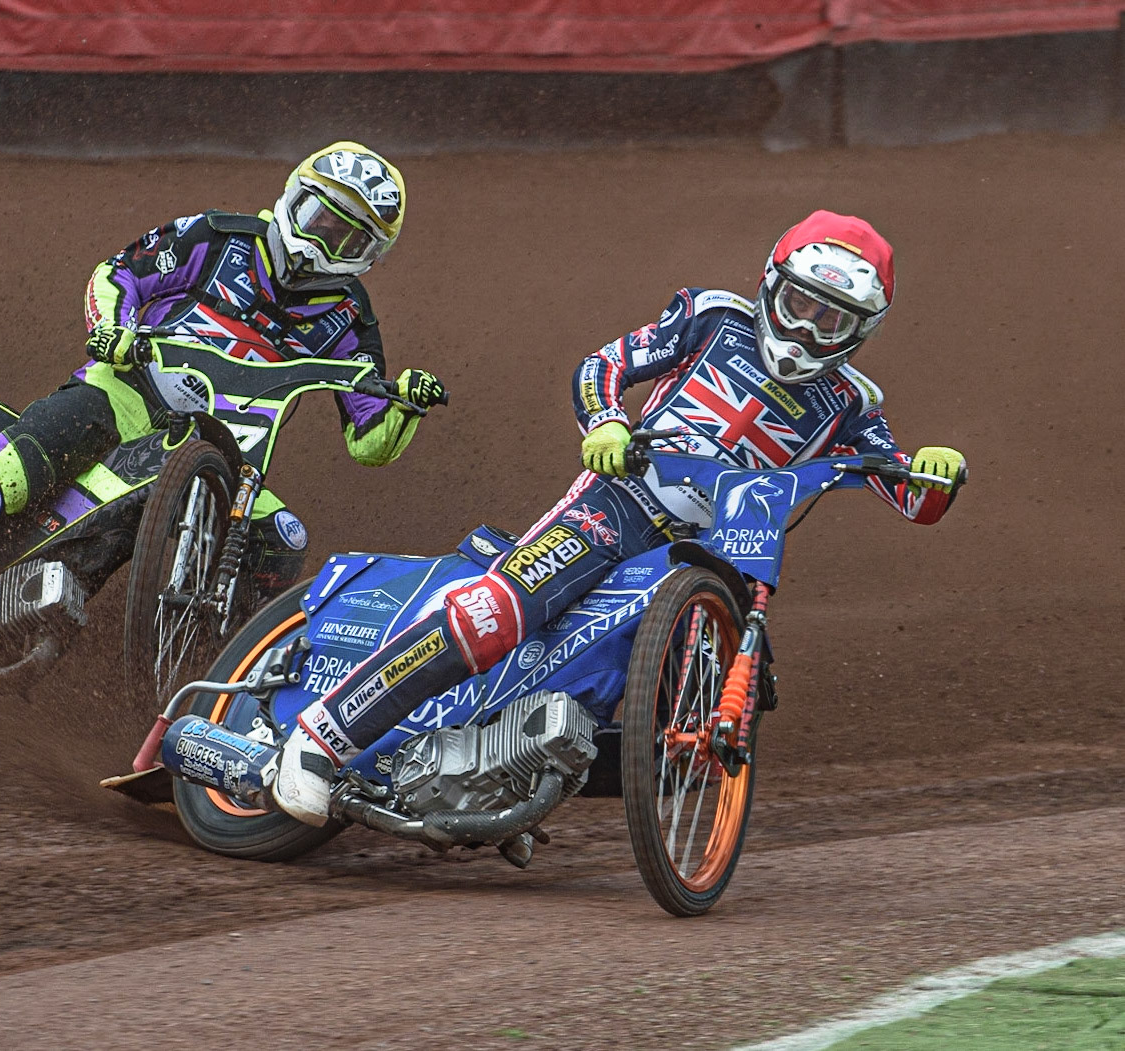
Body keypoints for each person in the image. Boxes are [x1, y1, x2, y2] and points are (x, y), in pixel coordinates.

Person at [269, 209, 968, 826]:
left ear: (859, 333)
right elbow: (604, 364)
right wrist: (605, 423)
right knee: (501, 610)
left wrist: (938, 472)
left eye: (832, 320)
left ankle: (522, 768)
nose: (807, 329)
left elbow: (910, 494)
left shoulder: (851, 403)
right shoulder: (712, 318)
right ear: (770, 285)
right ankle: (318, 738)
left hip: (719, 553)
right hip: (621, 504)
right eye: (798, 305)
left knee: (727, 684)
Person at [0, 141, 446, 618]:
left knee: (285, 538)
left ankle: (215, 695)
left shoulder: (352, 321)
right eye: (317, 213)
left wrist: (407, 406)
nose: (321, 237)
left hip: (226, 459)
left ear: (369, 256)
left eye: (346, 234)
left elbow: (369, 438)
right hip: (124, 395)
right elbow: (116, 274)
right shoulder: (215, 237)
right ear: (291, 196)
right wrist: (112, 326)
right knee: (7, 479)